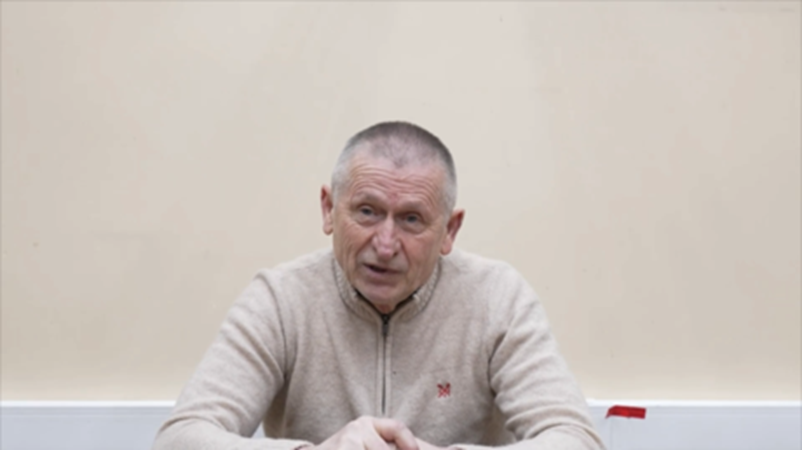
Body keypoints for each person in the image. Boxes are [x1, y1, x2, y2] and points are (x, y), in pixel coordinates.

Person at [152, 122, 604, 450]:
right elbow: (180, 439)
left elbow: (576, 440)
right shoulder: (280, 299)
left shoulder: (498, 299)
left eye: (411, 219)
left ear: (449, 230)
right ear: (329, 209)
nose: (385, 245)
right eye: (367, 212)